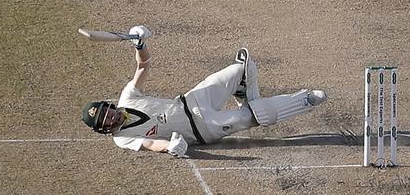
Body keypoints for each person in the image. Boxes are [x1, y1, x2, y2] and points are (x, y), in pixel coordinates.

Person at [80, 25, 328, 157]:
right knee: (251, 117)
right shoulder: (123, 139)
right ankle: (304, 100)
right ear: (103, 128)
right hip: (203, 128)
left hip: (192, 99)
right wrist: (169, 147)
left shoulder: (127, 97)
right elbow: (148, 144)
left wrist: (140, 44)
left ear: (109, 106)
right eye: (104, 120)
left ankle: (246, 95)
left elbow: (143, 64)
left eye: (106, 112)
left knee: (243, 67)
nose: (110, 117)